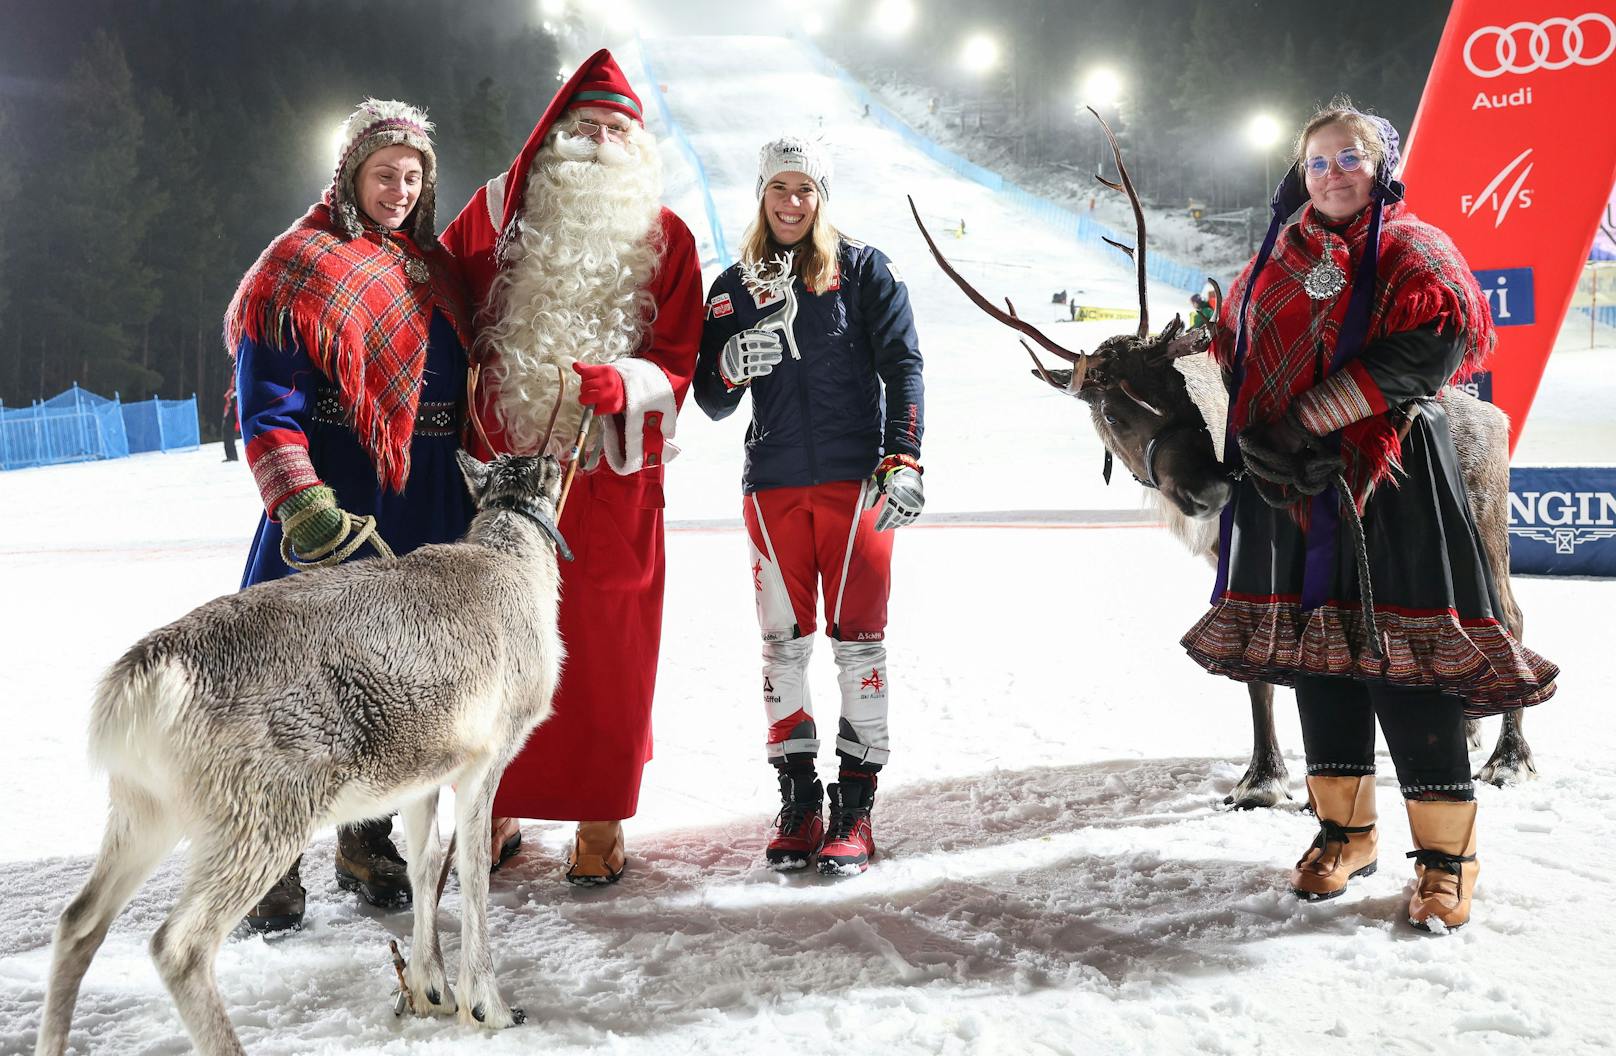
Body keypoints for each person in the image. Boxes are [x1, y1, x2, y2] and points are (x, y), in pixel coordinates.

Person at [1180, 100, 1558, 931]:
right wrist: (1257, 436)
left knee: (1406, 659)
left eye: (1349, 158)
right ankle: (1344, 834)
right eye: (1317, 163)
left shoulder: (1415, 248)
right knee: (1322, 663)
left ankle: (1446, 859)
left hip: (1391, 481)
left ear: (1381, 164)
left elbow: (1432, 347)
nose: (1332, 175)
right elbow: (1237, 352)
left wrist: (1309, 418)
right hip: (1292, 491)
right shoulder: (1271, 260)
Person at [440, 50, 703, 885]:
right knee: (492, 649)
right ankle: (494, 811)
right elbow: (432, 298)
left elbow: (680, 356)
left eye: (614, 131)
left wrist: (620, 384)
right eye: (582, 129)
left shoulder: (668, 237)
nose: (596, 143)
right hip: (503, 476)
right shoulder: (492, 213)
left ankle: (600, 820)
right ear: (552, 137)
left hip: (608, 477)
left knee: (608, 652)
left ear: (637, 148)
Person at [225, 99, 475, 931]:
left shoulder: (436, 271)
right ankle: (269, 856)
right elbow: (266, 404)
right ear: (349, 174)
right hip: (339, 495)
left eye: (413, 177)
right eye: (384, 175)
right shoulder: (298, 264)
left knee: (401, 688)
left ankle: (366, 839)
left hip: (430, 495)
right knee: (296, 689)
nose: (399, 190)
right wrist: (303, 504)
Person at [695, 136, 925, 876]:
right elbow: (710, 398)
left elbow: (904, 364)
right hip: (773, 488)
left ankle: (854, 806)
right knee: (782, 649)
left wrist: (904, 456)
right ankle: (800, 799)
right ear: (760, 195)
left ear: (822, 196)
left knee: (859, 643)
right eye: (778, 189)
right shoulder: (733, 285)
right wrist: (728, 368)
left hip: (859, 484)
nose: (791, 203)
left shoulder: (862, 269)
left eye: (805, 189)